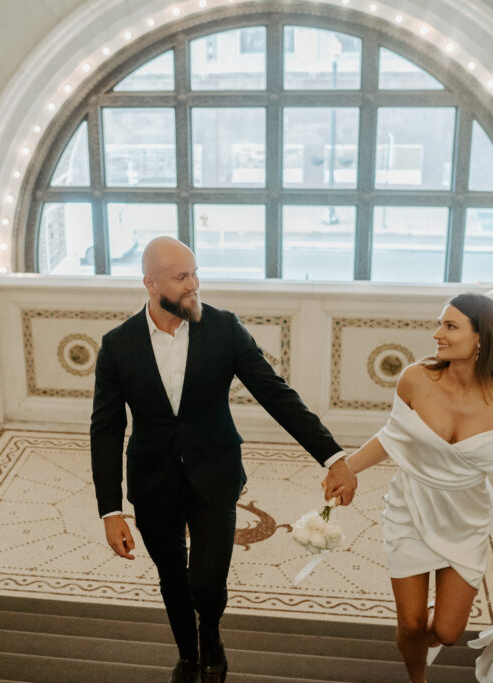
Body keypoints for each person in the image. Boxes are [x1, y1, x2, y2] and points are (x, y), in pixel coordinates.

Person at [91, 236, 356, 683]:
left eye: (195, 273)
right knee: (172, 579)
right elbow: (106, 428)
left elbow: (277, 396)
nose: (194, 285)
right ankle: (188, 655)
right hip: (152, 482)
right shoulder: (117, 345)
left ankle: (210, 635)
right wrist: (110, 510)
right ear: (150, 284)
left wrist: (333, 456)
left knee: (206, 584)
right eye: (181, 278)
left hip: (214, 474)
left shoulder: (224, 328)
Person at [322, 292, 493, 683]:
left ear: (481, 338)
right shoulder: (415, 378)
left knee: (447, 632)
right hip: (411, 507)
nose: (437, 333)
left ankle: (429, 646)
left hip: (466, 519)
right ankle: (417, 678)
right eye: (440, 323)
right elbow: (392, 437)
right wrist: (346, 469)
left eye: (450, 326)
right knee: (410, 624)